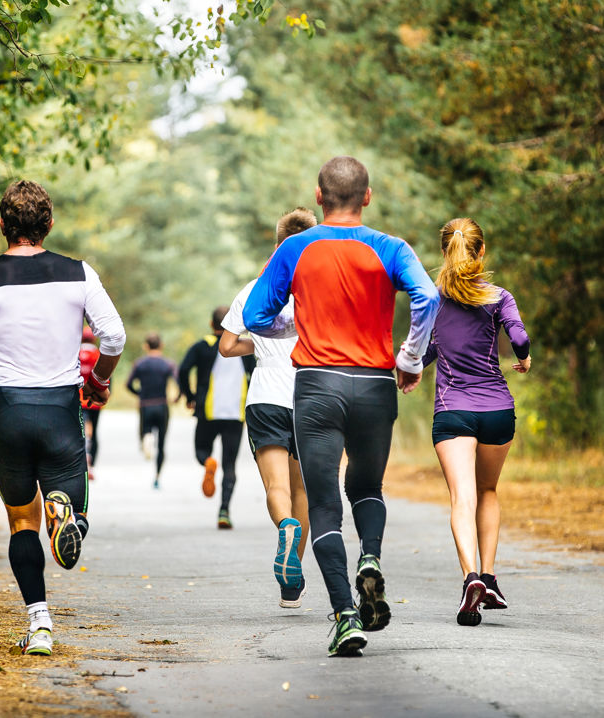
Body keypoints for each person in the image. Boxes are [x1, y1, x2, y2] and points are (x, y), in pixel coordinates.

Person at [242, 156, 439, 657]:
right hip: (374, 385)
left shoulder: (294, 249)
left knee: (324, 500)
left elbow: (253, 315)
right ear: (367, 196)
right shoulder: (391, 248)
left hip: (317, 387)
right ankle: (369, 558)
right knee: (367, 487)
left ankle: (345, 616)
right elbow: (428, 297)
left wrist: (296, 326)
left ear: (319, 196)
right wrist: (411, 358)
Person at [0, 180, 125, 656]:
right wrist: (99, 380)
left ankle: (40, 624)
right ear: (49, 225)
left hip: (8, 410)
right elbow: (114, 336)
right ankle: (69, 517)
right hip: (61, 406)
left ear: (2, 225)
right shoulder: (77, 273)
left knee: (21, 522)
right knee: (70, 501)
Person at [422, 217, 531, 627]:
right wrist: (523, 358)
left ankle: (470, 578)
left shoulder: (432, 299)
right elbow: (518, 339)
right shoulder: (499, 296)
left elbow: (425, 351)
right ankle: (489, 576)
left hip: (452, 411)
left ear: (444, 251)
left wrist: (408, 371)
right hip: (497, 409)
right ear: (481, 251)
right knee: (488, 490)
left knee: (461, 498)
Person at [219, 207, 317, 609]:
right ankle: (291, 580)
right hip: (310, 398)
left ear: (276, 243)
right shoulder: (319, 291)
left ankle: (285, 527)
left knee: (277, 489)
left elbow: (226, 346)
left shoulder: (256, 287)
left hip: (265, 398)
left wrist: (258, 345)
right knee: (303, 490)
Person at [178, 307, 256, 529]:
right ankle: (224, 511)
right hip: (236, 413)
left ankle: (207, 462)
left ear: (212, 325)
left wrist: (190, 396)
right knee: (230, 465)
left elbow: (183, 370)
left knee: (201, 451)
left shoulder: (203, 345)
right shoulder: (244, 347)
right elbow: (256, 372)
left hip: (207, 411)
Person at [126, 332, 178, 488]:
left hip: (145, 405)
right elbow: (178, 382)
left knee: (144, 432)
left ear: (146, 346)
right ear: (161, 345)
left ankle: (146, 438)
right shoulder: (168, 364)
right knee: (161, 445)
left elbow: (128, 384)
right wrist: (177, 398)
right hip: (162, 405)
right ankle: (157, 476)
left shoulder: (139, 364)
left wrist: (139, 394)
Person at [79, 326, 102, 480]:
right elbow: (105, 374)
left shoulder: (76, 353)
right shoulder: (97, 354)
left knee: (78, 431)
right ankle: (91, 464)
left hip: (77, 399)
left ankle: (79, 463)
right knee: (94, 432)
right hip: (94, 399)